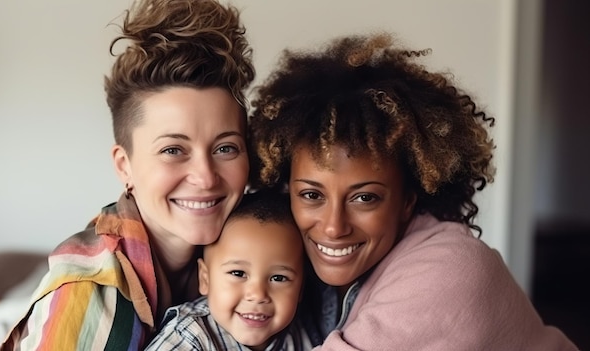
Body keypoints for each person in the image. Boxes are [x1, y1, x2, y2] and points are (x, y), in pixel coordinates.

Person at [248, 33, 578, 350]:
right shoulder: (297, 265)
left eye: (365, 198)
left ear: (408, 200)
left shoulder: (450, 271)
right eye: (311, 195)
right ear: (285, 188)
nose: (334, 227)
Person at [1, 0, 255, 349]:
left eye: (225, 148)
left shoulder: (253, 249)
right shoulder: (92, 298)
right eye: (172, 150)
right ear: (124, 166)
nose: (206, 177)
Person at [145, 190, 311, 350]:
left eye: (279, 278)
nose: (258, 295)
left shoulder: (296, 335)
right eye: (238, 273)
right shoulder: (190, 337)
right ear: (205, 279)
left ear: (301, 288)